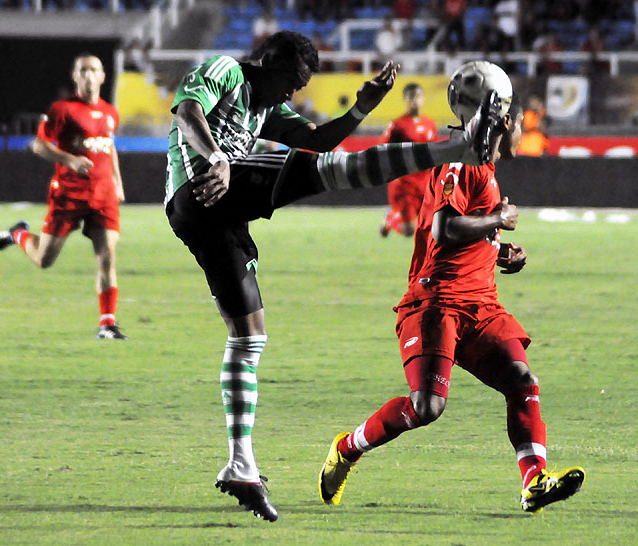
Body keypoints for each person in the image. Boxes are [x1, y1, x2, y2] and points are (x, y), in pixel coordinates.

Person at [163, 30, 502, 522]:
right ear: (268, 61)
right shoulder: (226, 71)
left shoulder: (267, 109)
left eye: (299, 85)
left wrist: (360, 108)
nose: (293, 92)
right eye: (292, 80)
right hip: (202, 186)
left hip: (214, 220)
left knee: (248, 336)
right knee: (335, 170)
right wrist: (217, 157)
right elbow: (189, 111)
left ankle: (240, 465)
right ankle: (457, 148)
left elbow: (317, 137)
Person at [319, 92, 586, 513]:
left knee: (521, 380)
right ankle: (347, 447)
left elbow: (463, 233)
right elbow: (444, 228)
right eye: (520, 124)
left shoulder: (485, 167)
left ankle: (534, 481)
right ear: (504, 124)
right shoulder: (461, 162)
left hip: (481, 306)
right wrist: (498, 219)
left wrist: (498, 250)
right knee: (427, 407)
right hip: (437, 303)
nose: (523, 132)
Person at [0, 53, 127, 340]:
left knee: (107, 256)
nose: (89, 75)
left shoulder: (110, 112)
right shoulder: (62, 109)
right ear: (75, 76)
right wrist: (71, 160)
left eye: (94, 70)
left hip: (103, 195)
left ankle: (107, 324)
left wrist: (117, 181)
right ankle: (18, 233)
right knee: (44, 259)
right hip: (69, 193)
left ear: (103, 76)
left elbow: (109, 145)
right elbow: (38, 145)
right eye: (83, 70)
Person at [379, 82, 438, 237]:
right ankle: (391, 218)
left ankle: (393, 216)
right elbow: (383, 149)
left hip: (424, 182)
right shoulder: (397, 125)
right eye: (411, 97)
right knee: (409, 230)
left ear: (423, 99)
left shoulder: (430, 124)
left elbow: (433, 153)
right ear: (405, 100)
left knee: (431, 227)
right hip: (404, 184)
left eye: (418, 97)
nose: (414, 101)